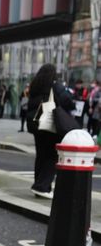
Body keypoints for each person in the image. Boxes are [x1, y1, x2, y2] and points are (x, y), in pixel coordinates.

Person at [27, 63, 75, 198]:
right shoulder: (55, 86)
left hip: (37, 125)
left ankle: (40, 185)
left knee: (41, 156)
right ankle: (42, 186)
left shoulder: (35, 86)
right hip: (50, 125)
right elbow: (68, 101)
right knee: (52, 156)